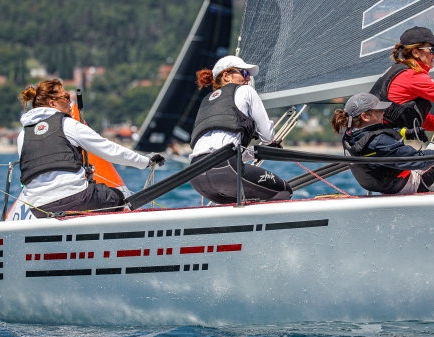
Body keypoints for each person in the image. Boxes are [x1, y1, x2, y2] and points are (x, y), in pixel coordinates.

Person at [17, 79, 165, 217]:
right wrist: (145, 161)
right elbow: (110, 150)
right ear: (52, 104)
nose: (70, 102)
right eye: (66, 97)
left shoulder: (23, 135)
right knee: (121, 195)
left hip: (38, 209)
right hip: (75, 199)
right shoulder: (68, 125)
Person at [189, 56, 292, 204]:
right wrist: (268, 141)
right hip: (225, 171)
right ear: (226, 76)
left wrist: (253, 152)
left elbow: (220, 148)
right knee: (284, 191)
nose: (248, 79)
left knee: (243, 202)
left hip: (196, 176)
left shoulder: (206, 101)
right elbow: (268, 137)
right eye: (244, 73)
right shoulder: (246, 91)